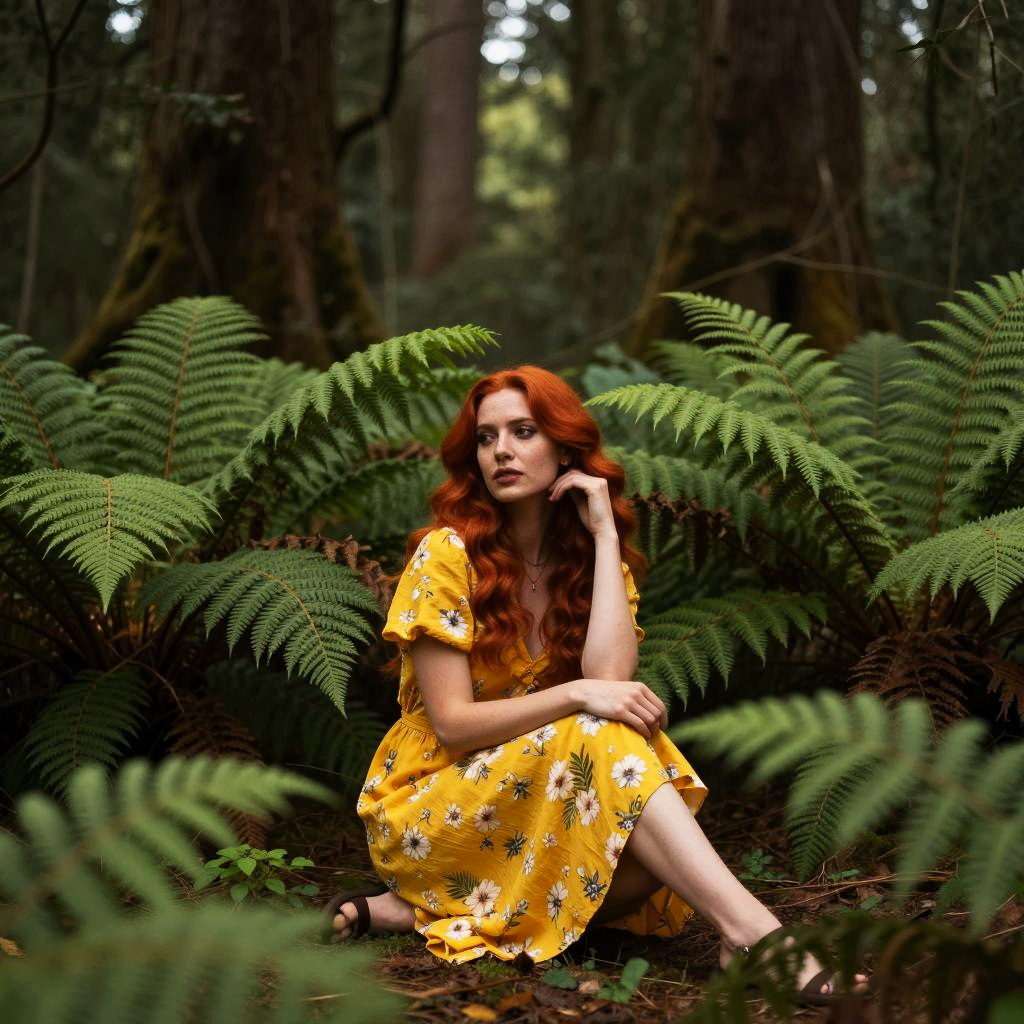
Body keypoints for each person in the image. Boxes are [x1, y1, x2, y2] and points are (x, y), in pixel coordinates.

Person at [328, 366, 864, 1005]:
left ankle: (416, 913)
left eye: (524, 432)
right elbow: (454, 724)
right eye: (486, 437)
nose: (501, 450)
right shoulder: (446, 555)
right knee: (597, 729)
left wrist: (604, 533)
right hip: (433, 800)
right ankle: (755, 936)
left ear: (563, 446)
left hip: (535, 804)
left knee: (634, 849)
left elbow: (612, 680)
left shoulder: (586, 559)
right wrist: (574, 695)